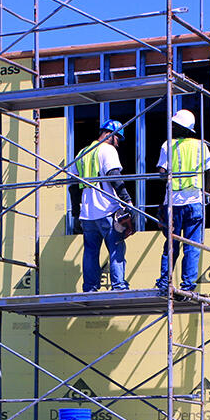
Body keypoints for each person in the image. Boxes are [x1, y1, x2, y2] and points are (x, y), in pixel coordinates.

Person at [154, 109, 210, 297]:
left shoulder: (168, 145)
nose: (171, 127)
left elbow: (161, 173)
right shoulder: (201, 146)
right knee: (191, 245)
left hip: (173, 202)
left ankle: (165, 282)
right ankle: (187, 285)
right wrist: (207, 191)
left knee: (171, 244)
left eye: (174, 125)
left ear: (180, 127)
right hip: (195, 201)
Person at [68, 120, 134, 292]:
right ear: (109, 134)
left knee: (90, 252)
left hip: (88, 214)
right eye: (117, 138)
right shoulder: (107, 149)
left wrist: (76, 213)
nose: (118, 143)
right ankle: (119, 286)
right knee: (116, 247)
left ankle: (90, 288)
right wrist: (127, 200)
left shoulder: (82, 152)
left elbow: (73, 186)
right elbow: (114, 175)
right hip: (107, 210)